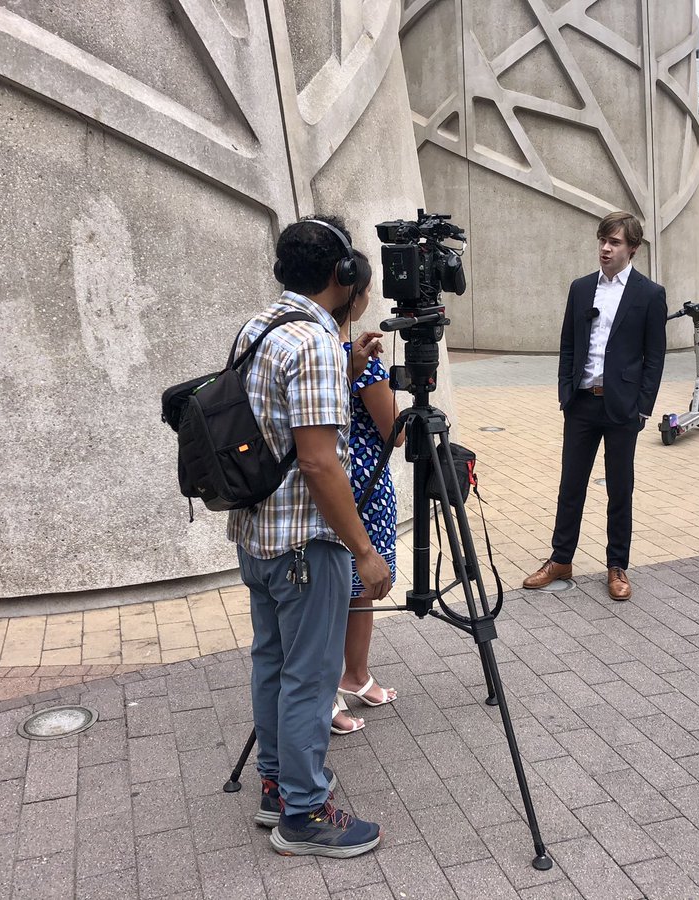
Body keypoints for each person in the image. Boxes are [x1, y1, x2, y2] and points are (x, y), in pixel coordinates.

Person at [229, 216, 391, 858]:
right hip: (305, 544)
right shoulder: (316, 344)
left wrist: (346, 365)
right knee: (311, 678)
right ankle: (304, 813)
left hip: (258, 537)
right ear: (342, 274)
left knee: (273, 664)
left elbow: (275, 415)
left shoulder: (260, 328)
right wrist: (365, 552)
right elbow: (320, 463)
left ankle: (277, 787)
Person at [522, 211, 667, 601]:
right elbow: (568, 343)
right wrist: (565, 393)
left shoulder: (649, 294)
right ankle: (560, 559)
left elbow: (654, 356)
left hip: (623, 408)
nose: (605, 248)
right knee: (571, 485)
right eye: (602, 240)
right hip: (582, 404)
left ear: (632, 249)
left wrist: (643, 408)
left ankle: (617, 565)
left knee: (620, 489)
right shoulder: (581, 288)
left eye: (614, 242)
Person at [332, 250, 403, 736]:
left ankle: (354, 676)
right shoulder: (364, 364)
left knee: (353, 591)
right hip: (362, 484)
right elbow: (394, 432)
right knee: (353, 589)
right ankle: (329, 693)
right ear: (353, 294)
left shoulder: (325, 351)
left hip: (339, 483)